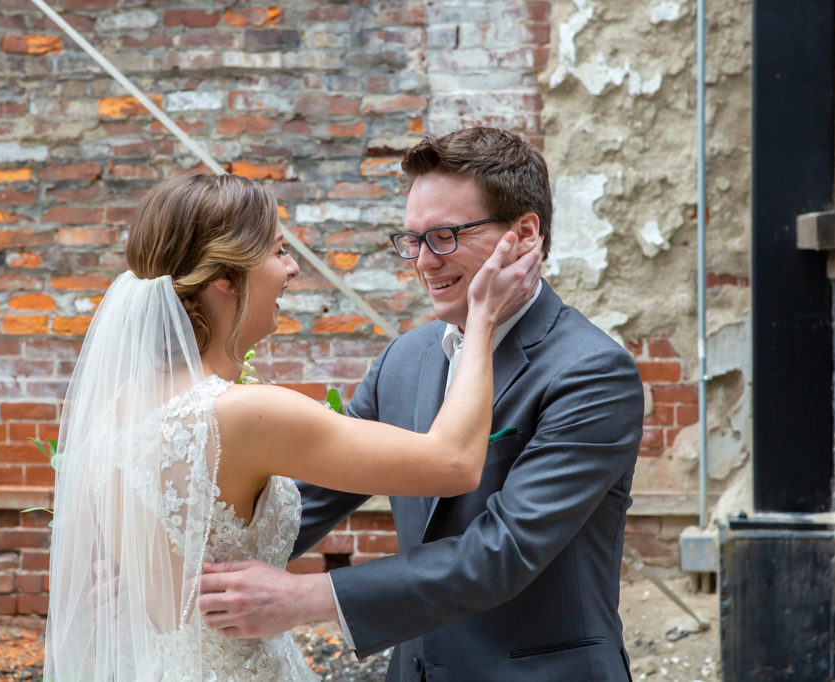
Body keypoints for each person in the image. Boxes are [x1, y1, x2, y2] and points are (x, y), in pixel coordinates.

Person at [42, 172, 541, 681]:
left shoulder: (115, 412)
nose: (292, 268)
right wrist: (482, 318)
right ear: (224, 276)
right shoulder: (247, 413)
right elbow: (454, 463)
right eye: (278, 251)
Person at [199, 128, 645, 681]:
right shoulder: (403, 360)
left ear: (525, 234)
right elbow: (307, 501)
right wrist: (173, 563)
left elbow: (503, 552)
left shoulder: (593, 371)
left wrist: (309, 597)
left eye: (445, 236)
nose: (424, 261)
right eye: (412, 239)